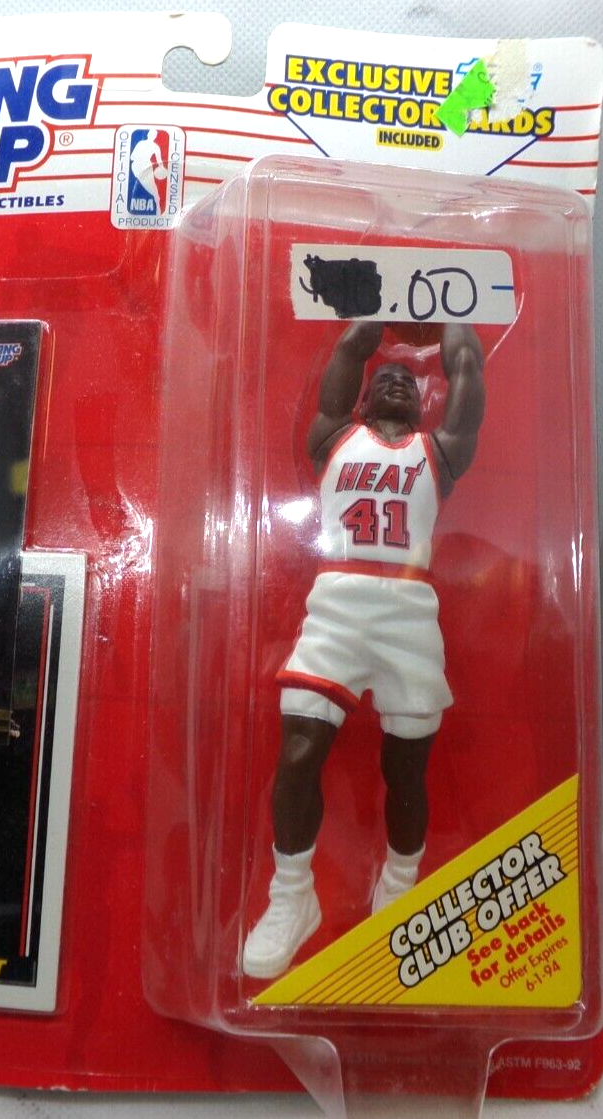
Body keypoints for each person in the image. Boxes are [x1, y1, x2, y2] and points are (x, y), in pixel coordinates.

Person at [242, 320, 486, 980]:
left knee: (406, 768)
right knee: (298, 749)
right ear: (363, 396)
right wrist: (374, 305)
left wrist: (450, 310)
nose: (398, 381)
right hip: (339, 603)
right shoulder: (334, 437)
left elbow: (468, 371)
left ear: (422, 401)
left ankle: (400, 886)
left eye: (408, 379)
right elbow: (350, 349)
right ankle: (292, 896)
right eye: (386, 378)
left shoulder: (436, 451)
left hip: (408, 609)